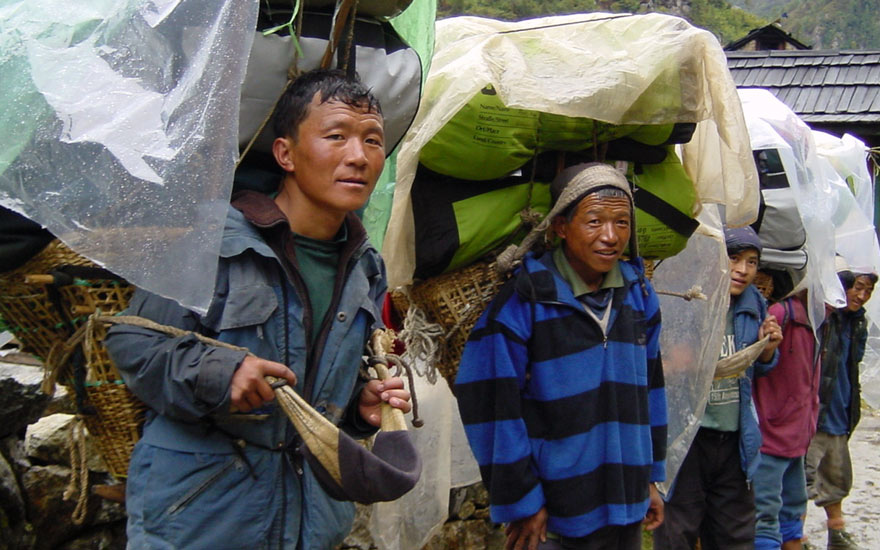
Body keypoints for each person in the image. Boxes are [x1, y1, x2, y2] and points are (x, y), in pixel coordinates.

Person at [104, 69, 412, 549]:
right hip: (202, 519)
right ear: (285, 153)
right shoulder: (213, 243)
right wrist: (219, 373)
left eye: (373, 141)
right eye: (336, 137)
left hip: (310, 521)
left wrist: (359, 408)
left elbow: (325, 387)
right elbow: (132, 341)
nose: (358, 157)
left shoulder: (365, 266)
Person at [456, 163, 667, 550]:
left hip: (625, 499)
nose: (610, 236)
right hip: (555, 510)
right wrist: (523, 498)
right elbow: (489, 402)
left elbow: (651, 390)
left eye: (622, 222)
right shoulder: (526, 302)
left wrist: (650, 477)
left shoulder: (639, 294)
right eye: (594, 221)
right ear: (559, 227)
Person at [654, 226, 783, 550]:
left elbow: (758, 369)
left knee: (733, 535)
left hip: (733, 439)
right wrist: (680, 362)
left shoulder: (753, 304)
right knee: (677, 531)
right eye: (734, 258)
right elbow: (661, 368)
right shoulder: (688, 298)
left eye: (752, 262)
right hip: (688, 439)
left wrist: (766, 349)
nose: (742, 270)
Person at [804, 263, 877, 550]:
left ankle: (837, 532)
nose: (861, 295)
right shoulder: (824, 317)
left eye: (868, 291)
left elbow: (852, 363)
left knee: (837, 476)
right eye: (857, 287)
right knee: (801, 479)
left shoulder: (858, 321)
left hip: (840, 410)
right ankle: (796, 536)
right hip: (815, 413)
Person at [752, 287, 819, 550]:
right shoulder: (782, 313)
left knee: (793, 509)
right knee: (766, 517)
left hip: (798, 434)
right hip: (771, 436)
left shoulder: (818, 320)